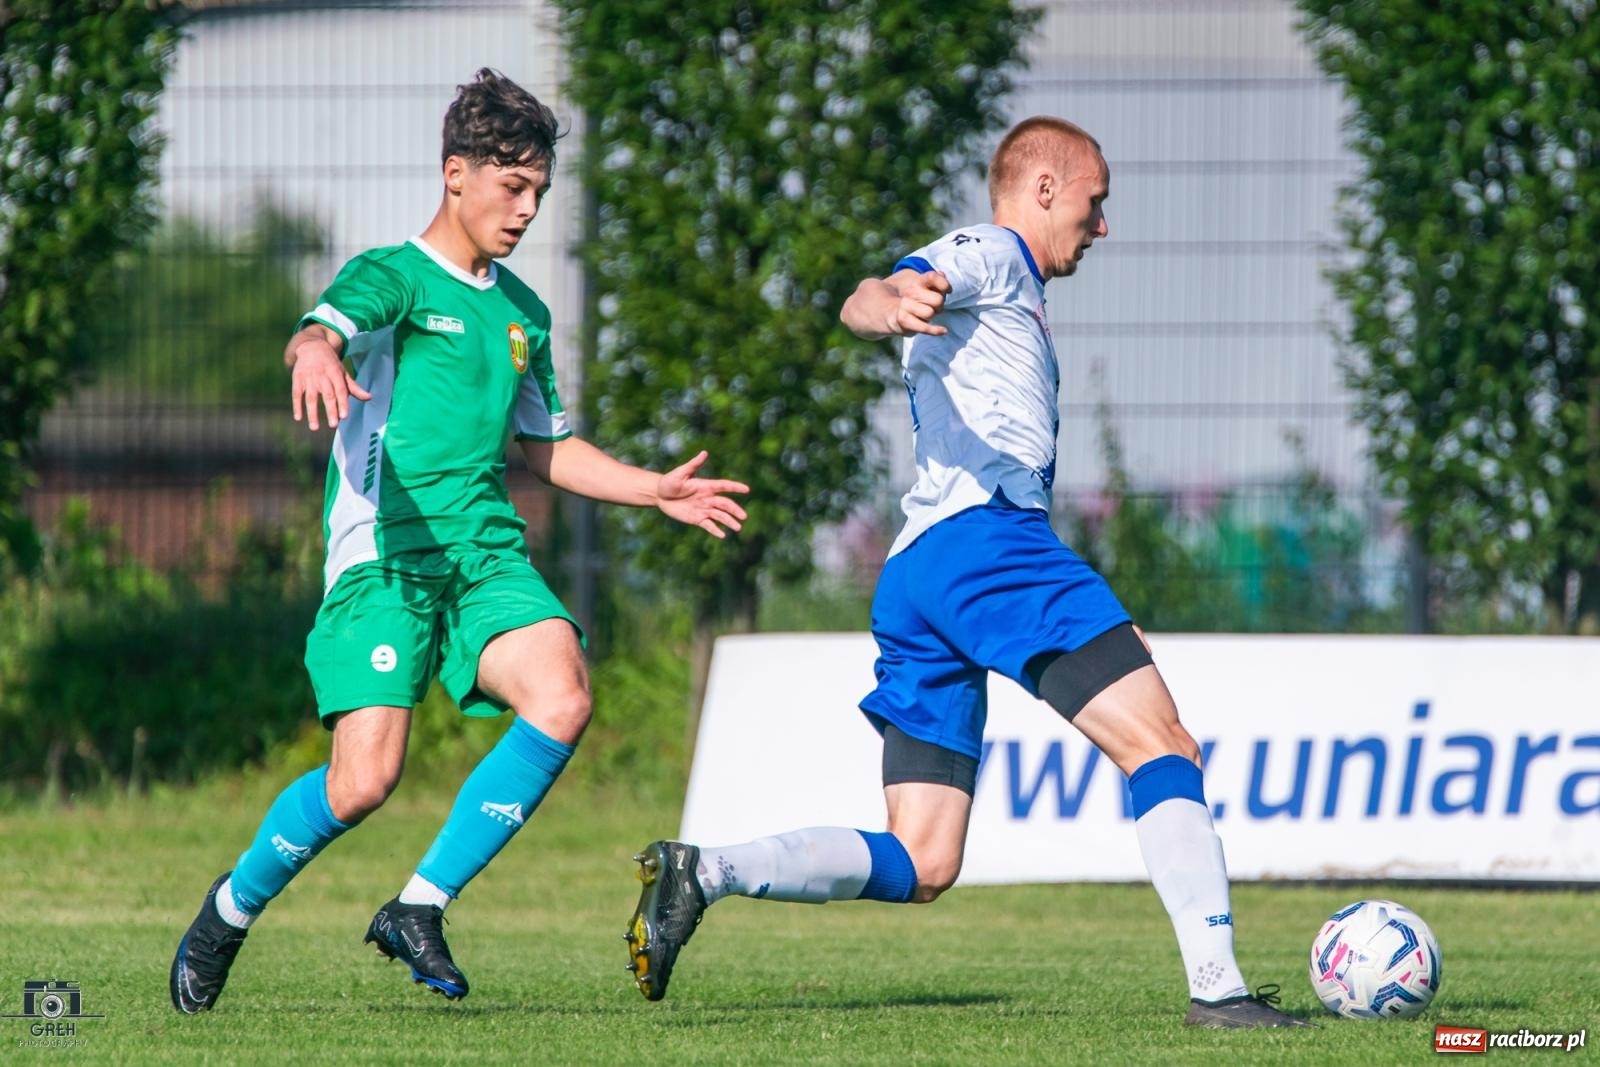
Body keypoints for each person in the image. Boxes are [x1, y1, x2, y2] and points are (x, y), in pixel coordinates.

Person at [622, 116, 1308, 1029]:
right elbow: (880, 289)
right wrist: (886, 303)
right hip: (987, 546)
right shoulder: (995, 252)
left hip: (919, 571)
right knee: (1164, 747)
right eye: (1095, 205)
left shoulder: (1010, 293)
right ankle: (1219, 990)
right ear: (1046, 190)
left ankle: (704, 870)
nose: (1102, 228)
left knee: (924, 857)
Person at [169, 68, 748, 1014]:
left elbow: (546, 447)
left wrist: (655, 490)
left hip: (484, 555)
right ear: (456, 173)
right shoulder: (394, 276)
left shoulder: (524, 312)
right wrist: (315, 350)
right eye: (511, 187)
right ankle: (226, 914)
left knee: (562, 694)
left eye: (539, 193)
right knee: (365, 782)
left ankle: (418, 905)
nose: (526, 211)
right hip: (388, 557)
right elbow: (321, 328)